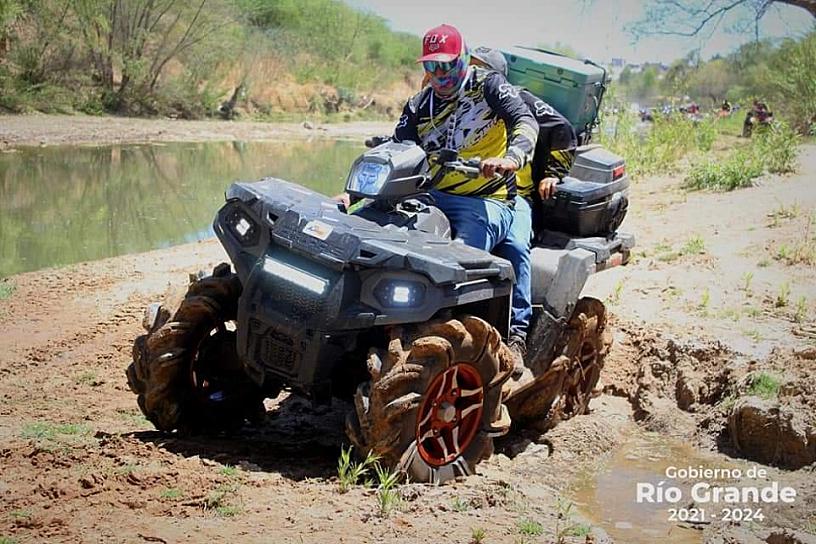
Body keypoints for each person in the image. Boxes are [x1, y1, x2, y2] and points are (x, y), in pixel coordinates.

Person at [393, 25, 538, 372]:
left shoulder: (489, 85)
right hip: (431, 195)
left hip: (489, 199)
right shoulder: (419, 104)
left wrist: (511, 158)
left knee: (469, 258)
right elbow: (396, 147)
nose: (439, 74)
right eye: (431, 66)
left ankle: (513, 337)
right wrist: (355, 191)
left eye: (446, 65)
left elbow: (525, 121)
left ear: (462, 58)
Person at [469, 47, 577, 377]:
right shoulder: (455, 101)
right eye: (470, 67)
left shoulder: (517, 100)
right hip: (459, 192)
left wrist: (552, 174)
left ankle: (516, 335)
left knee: (515, 248)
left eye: (480, 69)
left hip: (514, 196)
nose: (473, 75)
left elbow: (562, 130)